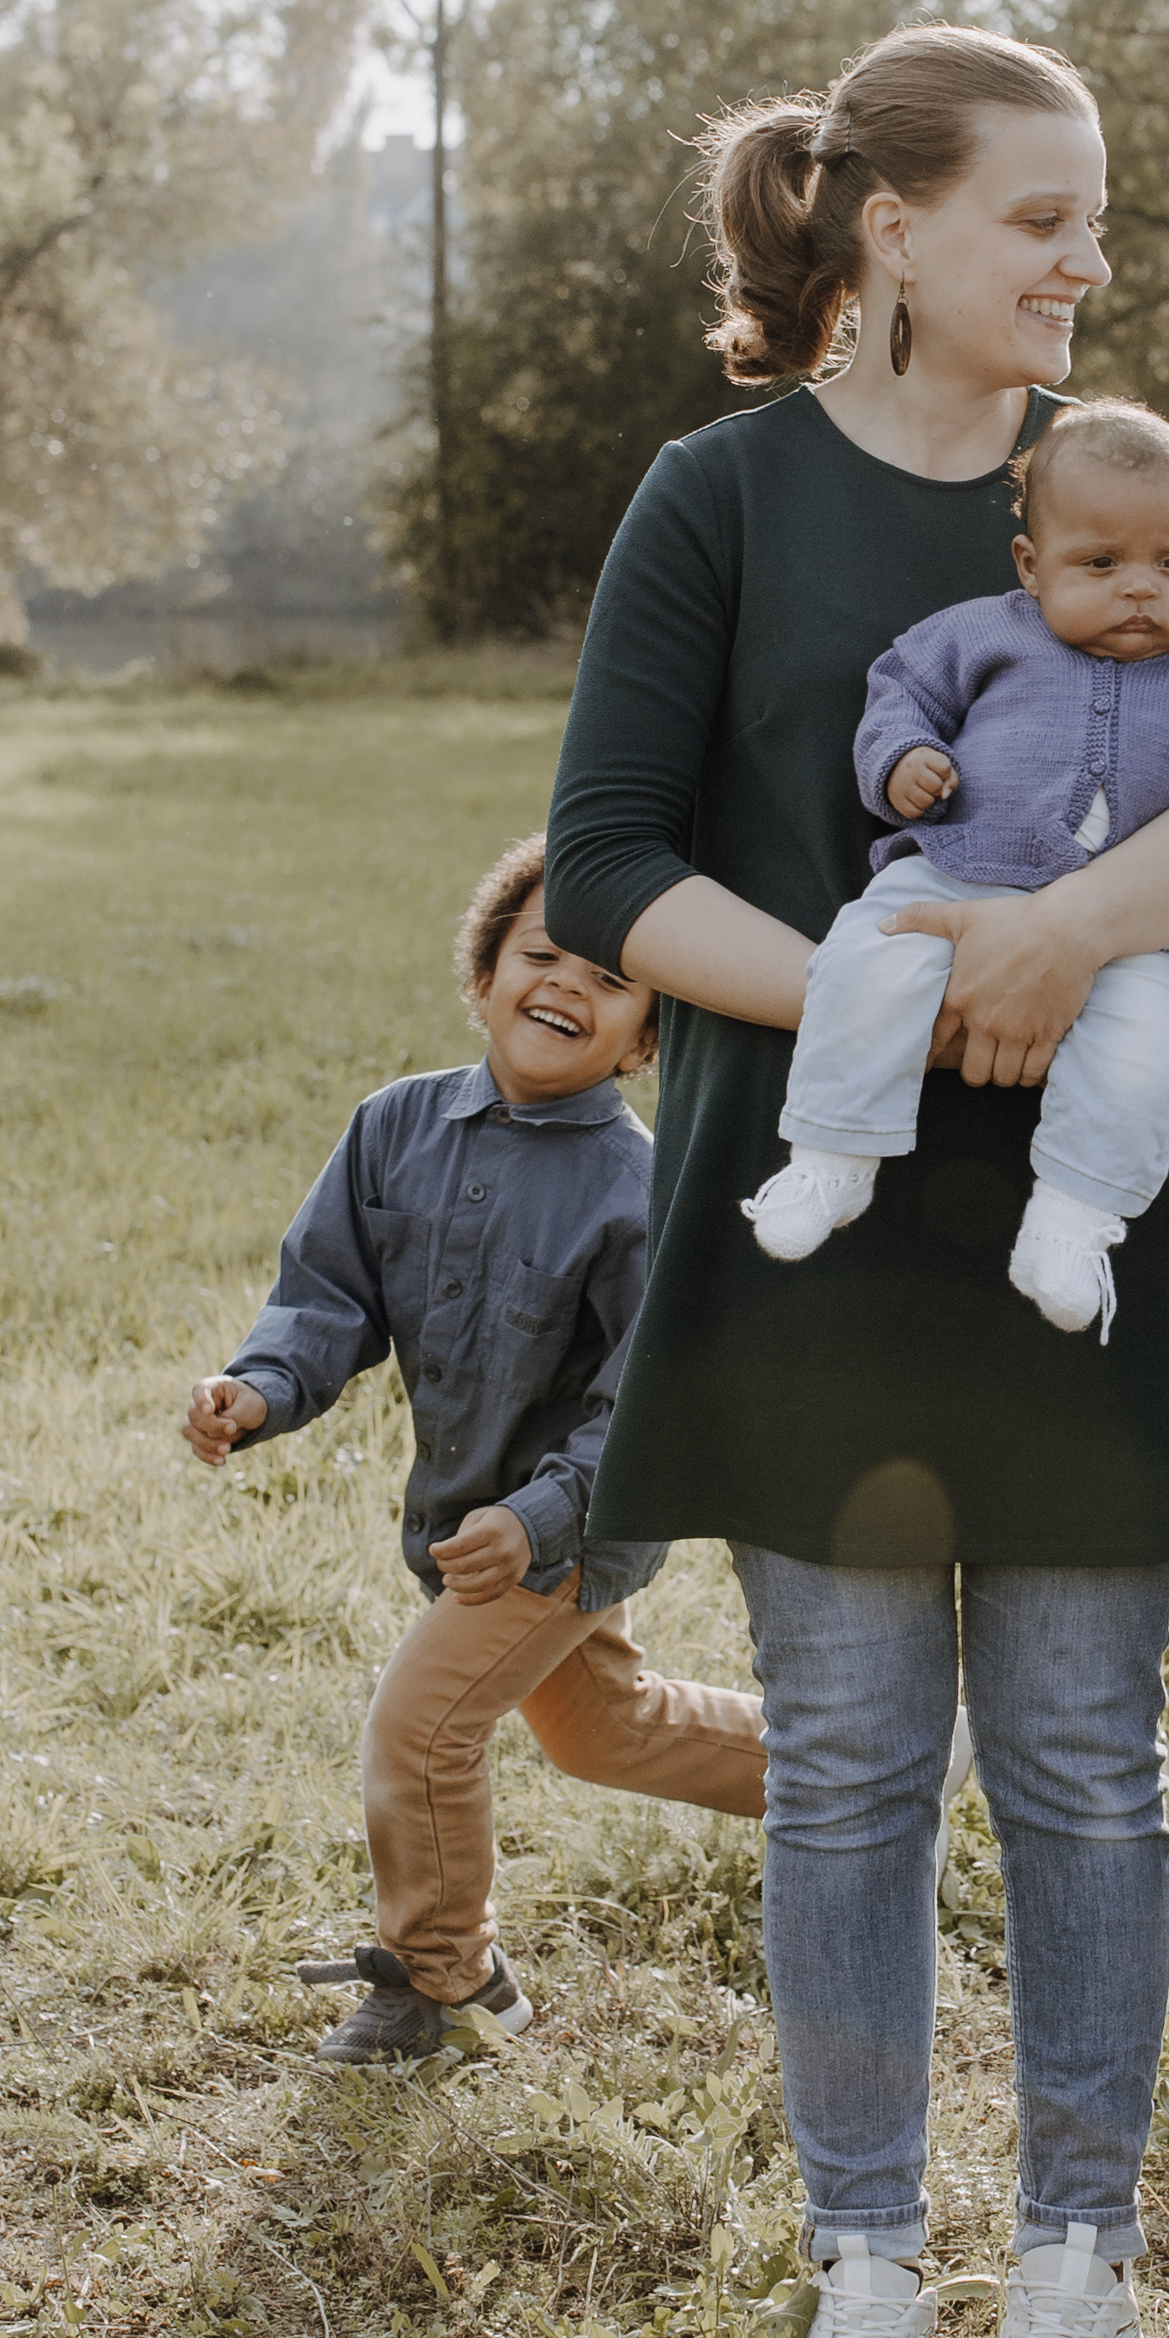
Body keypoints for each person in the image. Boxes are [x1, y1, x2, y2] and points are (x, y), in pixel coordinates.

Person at [543, 23, 1169, 2338]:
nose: (1085, 264)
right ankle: (861, 2270)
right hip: (819, 1228)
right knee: (852, 1770)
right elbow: (609, 861)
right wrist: (896, 984)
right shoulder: (718, 497)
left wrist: (1061, 938)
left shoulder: (1134, 487)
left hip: (1094, 1243)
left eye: (1095, 223)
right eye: (1040, 219)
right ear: (891, 229)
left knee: (1083, 1764)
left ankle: (1075, 2273)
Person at [186, 836, 764, 2065]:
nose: (566, 985)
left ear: (648, 1032)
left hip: (572, 1520)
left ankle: (443, 1979)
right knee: (602, 1730)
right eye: (541, 953)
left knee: (420, 1728)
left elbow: (650, 1402)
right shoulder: (394, 1126)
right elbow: (326, 1298)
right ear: (487, 968)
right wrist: (258, 1388)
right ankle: (870, 1776)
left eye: (610, 977)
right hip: (467, 1512)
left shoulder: (638, 1190)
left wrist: (541, 1516)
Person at [748, 396, 1169, 1336]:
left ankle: (1073, 1223)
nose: (1140, 588)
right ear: (1031, 565)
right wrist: (900, 758)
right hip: (951, 870)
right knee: (862, 969)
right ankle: (829, 1157)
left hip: (1133, 933)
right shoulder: (980, 632)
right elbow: (897, 692)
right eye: (1101, 563)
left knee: (1147, 1060)